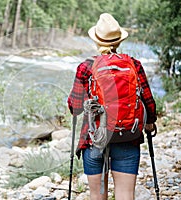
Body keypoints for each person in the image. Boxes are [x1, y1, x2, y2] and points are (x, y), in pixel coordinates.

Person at [67, 13, 157, 200]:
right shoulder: (134, 64)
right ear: (118, 41)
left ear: (96, 40)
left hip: (94, 139)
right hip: (127, 136)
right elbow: (148, 102)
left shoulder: (87, 67)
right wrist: (150, 124)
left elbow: (75, 107)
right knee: (125, 194)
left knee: (97, 196)